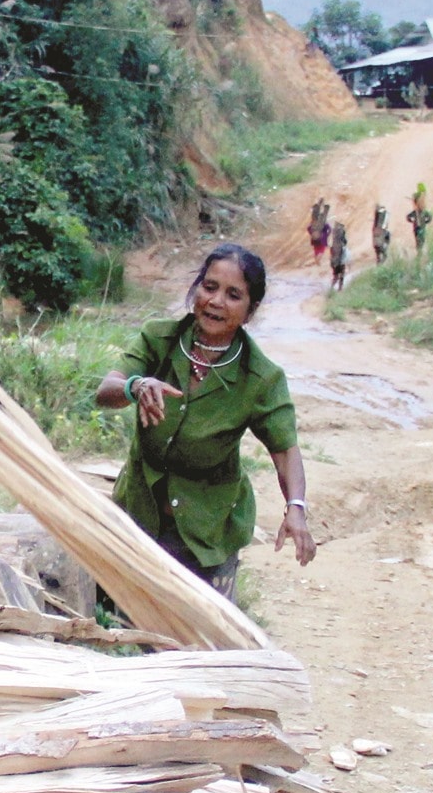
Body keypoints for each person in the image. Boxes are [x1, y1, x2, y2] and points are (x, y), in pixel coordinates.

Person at [95, 244, 317, 605]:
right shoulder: (158, 339)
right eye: (209, 287)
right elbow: (105, 392)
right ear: (195, 288)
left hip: (207, 532)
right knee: (119, 624)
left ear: (250, 311)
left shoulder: (260, 377)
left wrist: (296, 508)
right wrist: (135, 387)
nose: (216, 301)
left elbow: (284, 450)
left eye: (234, 295)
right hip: (137, 514)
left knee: (198, 638)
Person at [406, 185, 433, 256]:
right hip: (420, 228)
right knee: (420, 239)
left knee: (419, 240)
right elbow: (429, 217)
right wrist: (425, 222)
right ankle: (419, 251)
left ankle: (419, 251)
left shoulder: (418, 212)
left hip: (417, 228)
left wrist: (412, 221)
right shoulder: (421, 212)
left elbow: (408, 217)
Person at [306, 199, 329, 265]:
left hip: (316, 237)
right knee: (320, 250)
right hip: (320, 237)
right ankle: (318, 261)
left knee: (317, 250)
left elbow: (309, 228)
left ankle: (319, 204)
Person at [328, 222, 349, 291]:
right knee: (341, 274)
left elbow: (331, 255)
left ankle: (331, 288)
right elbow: (345, 241)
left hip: (334, 261)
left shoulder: (333, 245)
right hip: (341, 261)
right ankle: (340, 288)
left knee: (335, 276)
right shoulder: (342, 245)